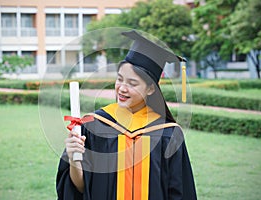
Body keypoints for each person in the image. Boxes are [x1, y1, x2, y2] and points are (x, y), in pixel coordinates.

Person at [56, 30, 197, 200]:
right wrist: (74, 160)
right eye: (119, 79)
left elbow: (180, 192)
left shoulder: (168, 134)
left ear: (151, 88)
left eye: (132, 83)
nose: (122, 88)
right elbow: (79, 189)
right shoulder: (94, 126)